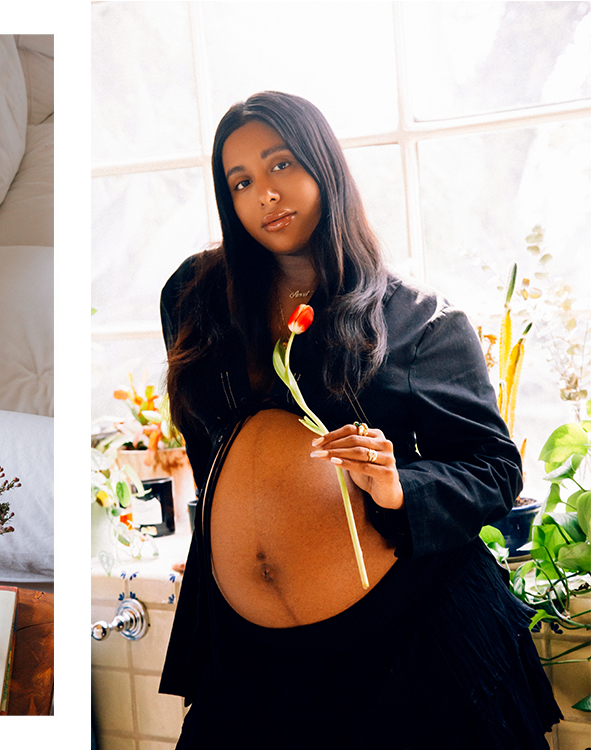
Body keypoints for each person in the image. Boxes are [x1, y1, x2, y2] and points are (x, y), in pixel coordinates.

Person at [158, 91, 562, 748]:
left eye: (281, 164)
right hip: (253, 661)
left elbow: (493, 469)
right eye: (241, 181)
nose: (265, 193)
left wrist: (400, 488)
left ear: (324, 165)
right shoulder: (194, 300)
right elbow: (212, 448)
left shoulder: (419, 319)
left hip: (409, 645)